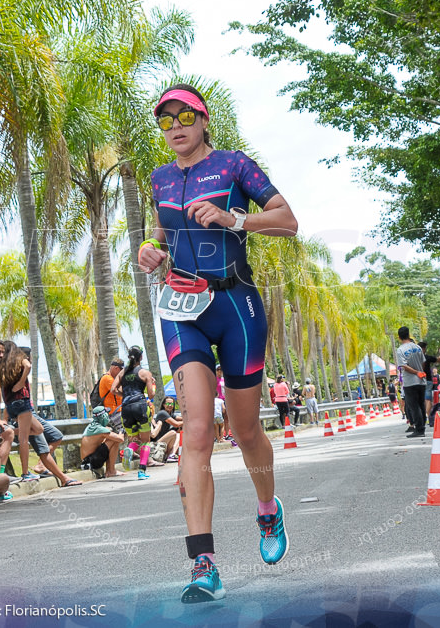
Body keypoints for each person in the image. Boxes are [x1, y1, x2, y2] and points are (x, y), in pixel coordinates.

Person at [138, 83, 297, 602]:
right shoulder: (161, 178)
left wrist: (235, 219)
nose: (176, 125)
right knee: (199, 430)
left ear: (204, 120)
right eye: (165, 120)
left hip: (237, 309)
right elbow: (164, 235)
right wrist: (150, 250)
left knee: (247, 430)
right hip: (183, 311)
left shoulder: (234, 166)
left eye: (185, 115)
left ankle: (268, 511)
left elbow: (288, 222)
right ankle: (203, 564)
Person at [111, 345, 159, 480]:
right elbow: (151, 395)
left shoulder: (123, 372)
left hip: (126, 408)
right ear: (141, 357)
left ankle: (130, 449)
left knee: (135, 438)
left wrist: (125, 395)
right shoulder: (145, 373)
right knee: (145, 441)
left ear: (128, 357)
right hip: (140, 407)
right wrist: (152, 385)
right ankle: (142, 471)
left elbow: (113, 389)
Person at [0, 342, 41, 481]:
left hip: (10, 405)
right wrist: (21, 382)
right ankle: (25, 473)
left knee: (38, 429)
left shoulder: (3, 366)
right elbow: (28, 366)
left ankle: (7, 432)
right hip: (22, 401)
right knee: (24, 440)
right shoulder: (20, 359)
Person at [396, 326, 427, 437]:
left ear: (399, 337)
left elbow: (404, 366)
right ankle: (422, 426)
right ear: (409, 335)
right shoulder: (418, 347)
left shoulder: (400, 350)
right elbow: (423, 362)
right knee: (421, 404)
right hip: (421, 380)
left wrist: (415, 372)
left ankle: (419, 429)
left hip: (410, 382)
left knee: (414, 406)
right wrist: (420, 372)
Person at [80, 406, 125, 477]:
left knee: (110, 439)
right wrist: (122, 430)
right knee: (114, 440)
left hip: (87, 461)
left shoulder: (92, 426)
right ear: (103, 416)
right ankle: (111, 471)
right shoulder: (100, 429)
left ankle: (109, 470)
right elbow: (121, 439)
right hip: (92, 461)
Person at [151, 397, 183, 462]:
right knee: (173, 432)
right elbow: (176, 424)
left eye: (172, 404)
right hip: (157, 444)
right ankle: (172, 454)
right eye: (168, 403)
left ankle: (172, 454)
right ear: (163, 404)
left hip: (164, 443)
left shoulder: (170, 414)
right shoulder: (162, 413)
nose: (170, 405)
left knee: (179, 432)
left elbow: (182, 419)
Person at [98, 359, 125, 434]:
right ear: (116, 368)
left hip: (115, 412)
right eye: (121, 371)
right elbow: (122, 390)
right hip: (113, 413)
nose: (121, 373)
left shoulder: (112, 378)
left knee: (115, 440)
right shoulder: (108, 378)